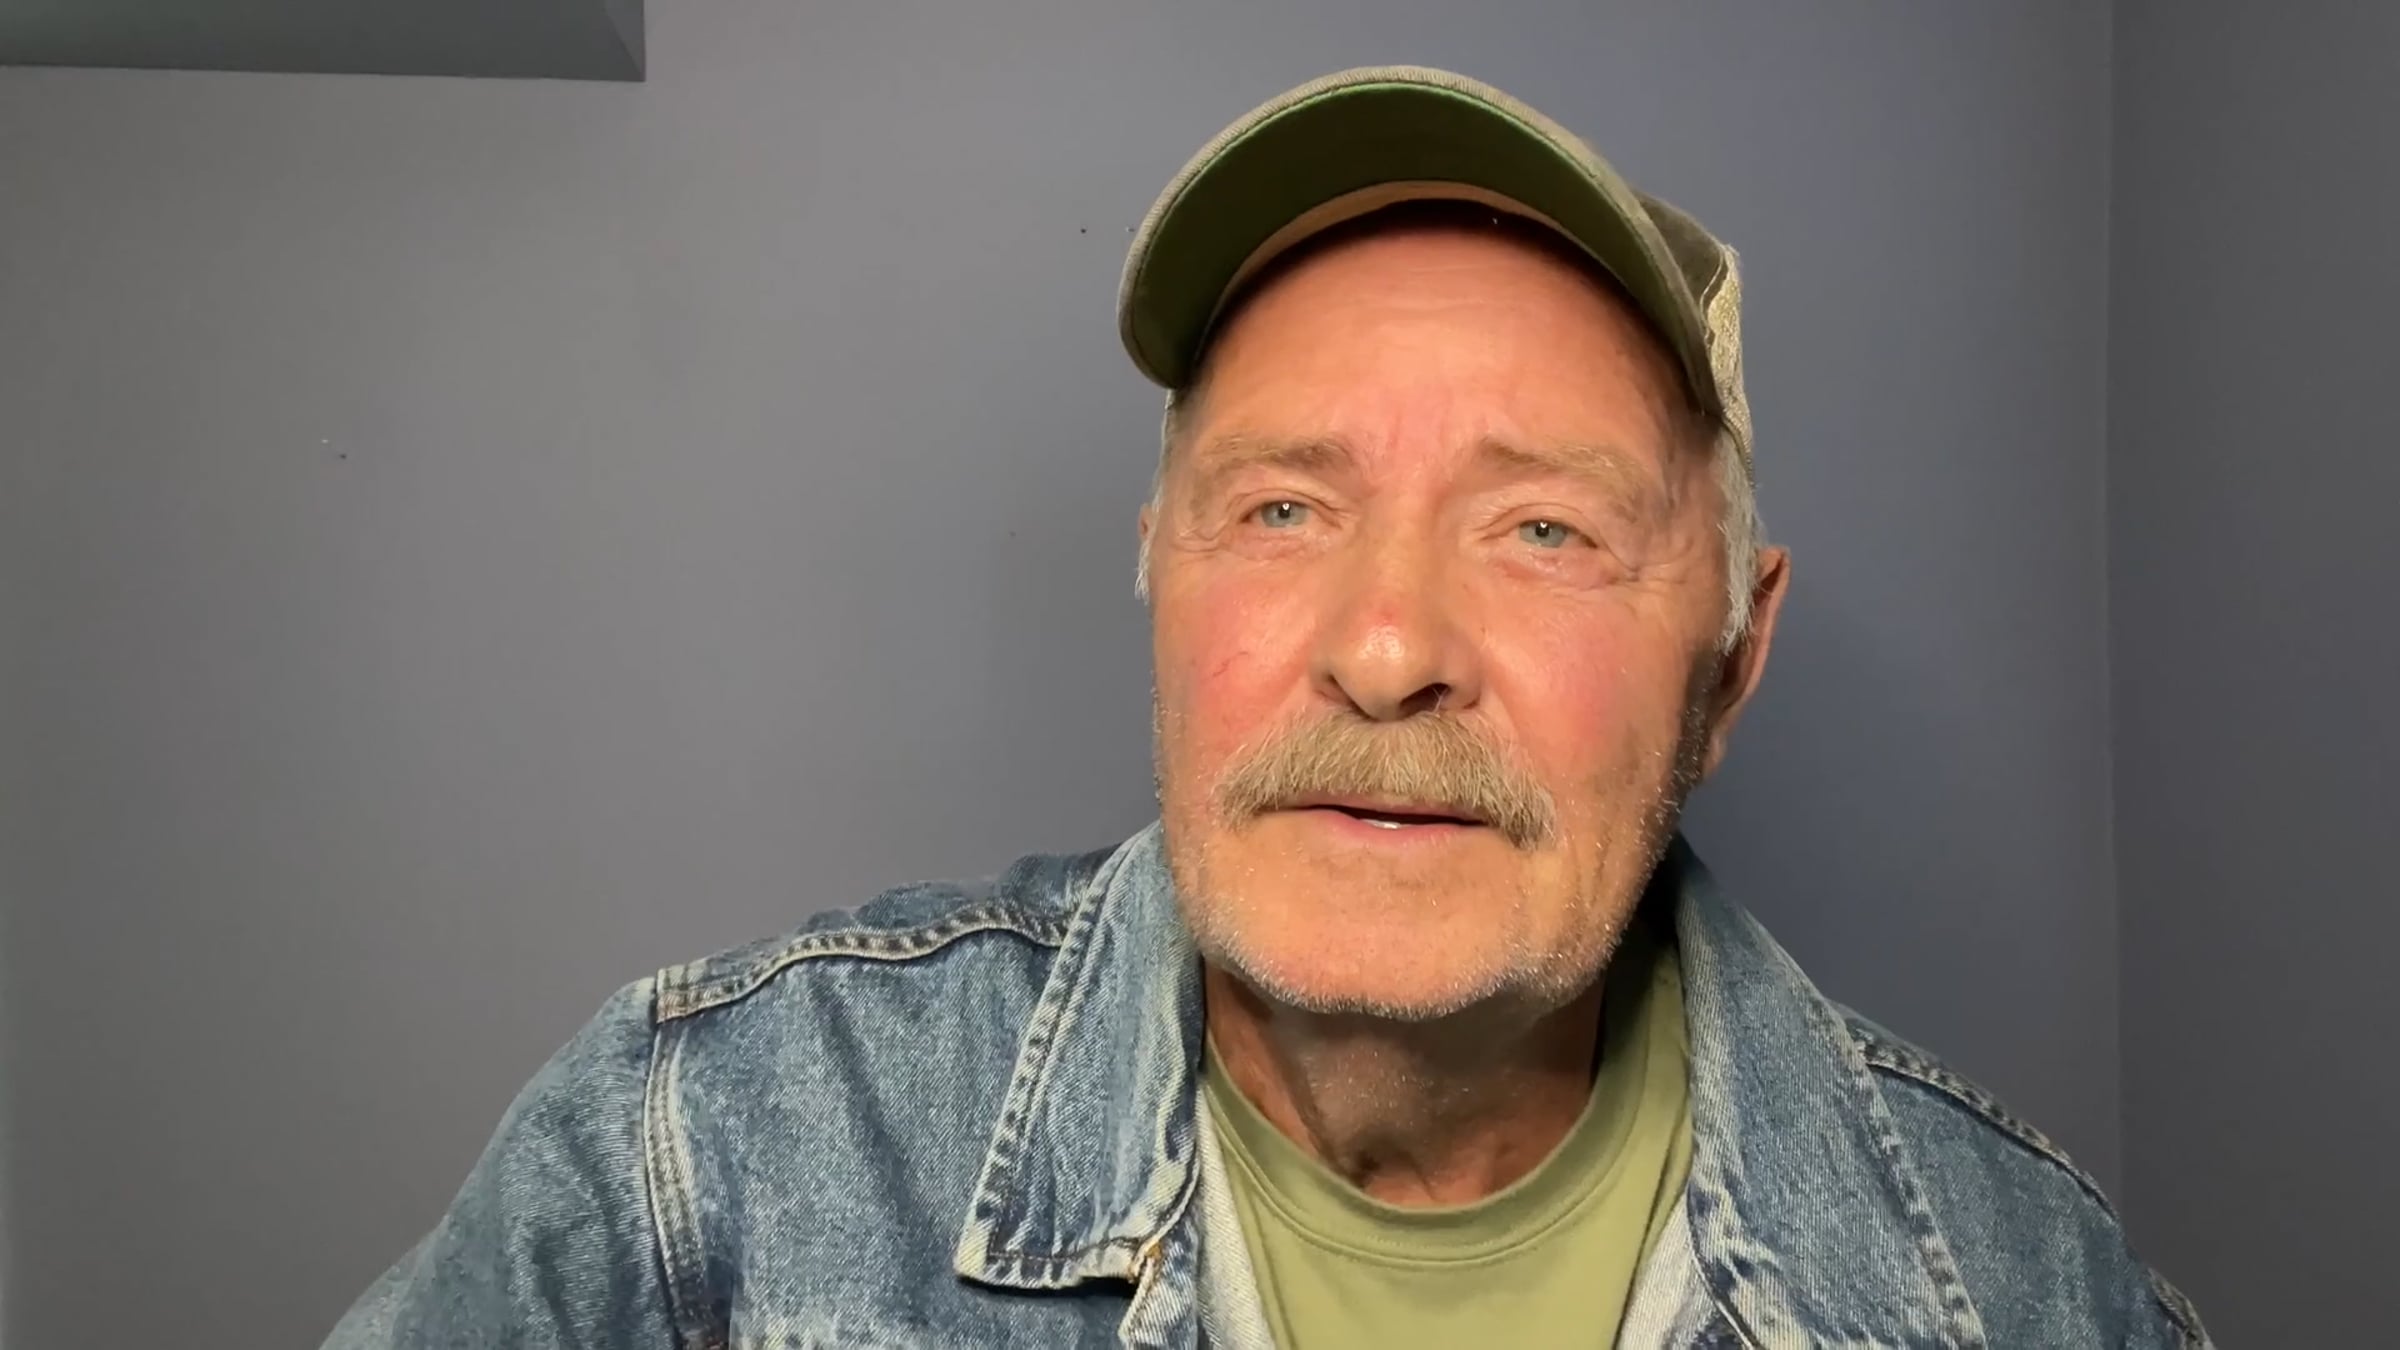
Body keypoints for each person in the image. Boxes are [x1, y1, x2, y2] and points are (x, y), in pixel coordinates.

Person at [325, 67, 2210, 1348]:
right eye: (1286, 509)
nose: (1386, 650)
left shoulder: (2034, 1292)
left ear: (1731, 661)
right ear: (1161, 574)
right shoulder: (703, 1161)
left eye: (1544, 530)